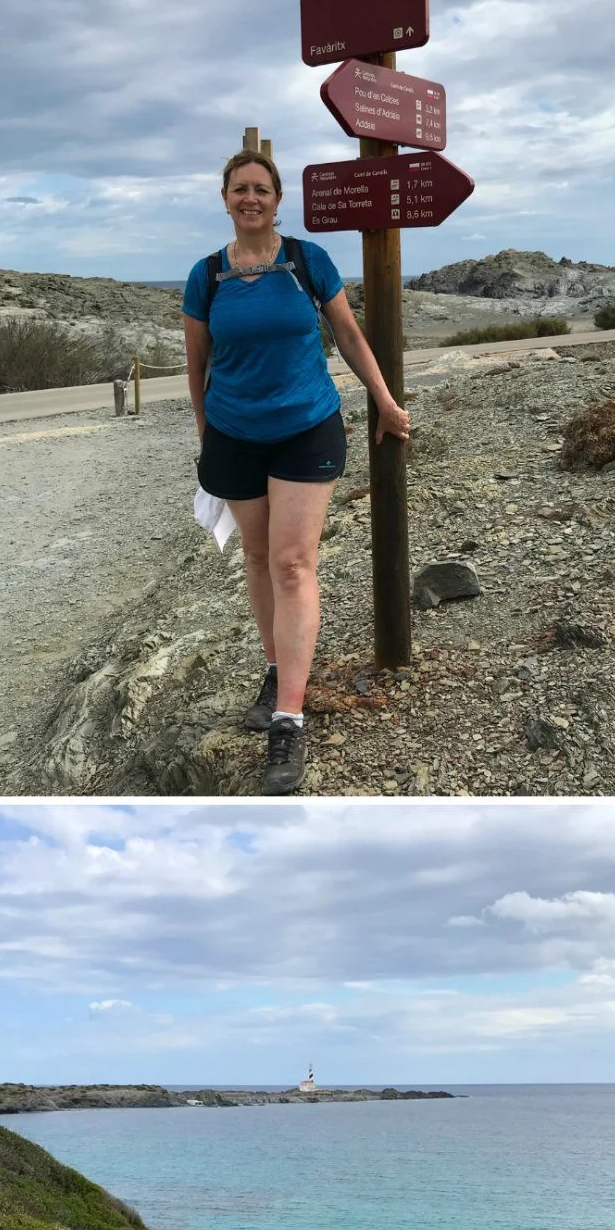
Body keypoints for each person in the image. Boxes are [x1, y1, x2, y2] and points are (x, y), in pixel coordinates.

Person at [182, 149, 411, 795]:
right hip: (233, 436)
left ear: (278, 200)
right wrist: (208, 441)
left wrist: (386, 402)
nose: (250, 198)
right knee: (257, 559)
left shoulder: (308, 262)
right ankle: (276, 665)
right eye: (239, 190)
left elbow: (348, 336)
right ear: (224, 199)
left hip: (306, 428)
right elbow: (196, 366)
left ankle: (289, 717)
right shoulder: (206, 277)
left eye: (261, 189)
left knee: (291, 563)